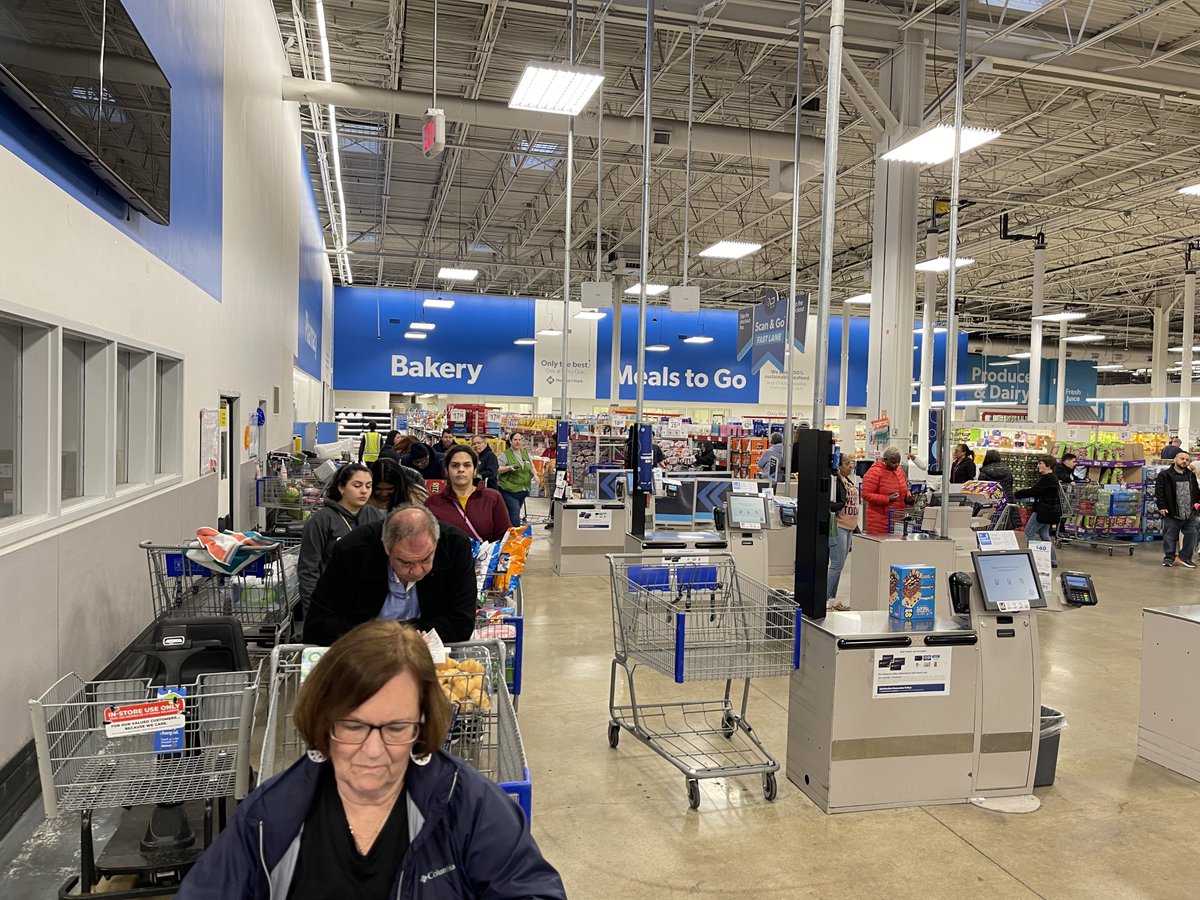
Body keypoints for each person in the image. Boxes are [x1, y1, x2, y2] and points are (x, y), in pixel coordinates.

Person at [176, 621, 567, 900]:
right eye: (353, 726)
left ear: (423, 722)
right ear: (323, 720)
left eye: (397, 728)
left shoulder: (468, 805)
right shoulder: (271, 819)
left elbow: (529, 889)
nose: (374, 751)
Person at [303, 505, 477, 645]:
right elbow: (319, 625)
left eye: (425, 559)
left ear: (436, 543)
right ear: (386, 547)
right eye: (406, 562)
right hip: (363, 658)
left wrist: (400, 634)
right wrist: (389, 636)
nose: (417, 571)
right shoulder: (352, 551)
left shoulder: (455, 545)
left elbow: (461, 622)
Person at [297, 464, 383, 617]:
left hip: (369, 604)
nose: (364, 490)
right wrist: (313, 610)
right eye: (357, 485)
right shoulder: (321, 520)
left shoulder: (376, 517)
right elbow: (308, 569)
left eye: (368, 486)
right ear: (341, 488)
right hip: (331, 602)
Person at [425, 444, 511, 542]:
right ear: (446, 470)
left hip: (485, 557)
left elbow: (505, 536)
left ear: (474, 470)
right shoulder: (433, 503)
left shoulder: (492, 498)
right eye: (455, 465)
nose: (461, 470)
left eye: (467, 465)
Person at [1013, 454, 1062, 567]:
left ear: (1048, 465)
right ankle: (1052, 560)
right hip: (1048, 511)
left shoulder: (1048, 479)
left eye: (1041, 463)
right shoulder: (1052, 478)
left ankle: (1032, 558)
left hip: (1042, 511)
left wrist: (1017, 494)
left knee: (1029, 533)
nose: (1038, 465)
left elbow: (1034, 491)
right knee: (1044, 534)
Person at [1155, 449, 1200, 568]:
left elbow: (1196, 490)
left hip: (1189, 511)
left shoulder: (1191, 475)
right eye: (1182, 458)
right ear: (1175, 459)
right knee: (1170, 536)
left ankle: (1185, 557)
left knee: (1192, 534)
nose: (1184, 461)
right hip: (1172, 511)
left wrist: (1196, 503)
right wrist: (1162, 507)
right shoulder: (1164, 475)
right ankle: (1169, 557)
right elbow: (1159, 491)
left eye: (1187, 460)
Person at [827, 455, 859, 611]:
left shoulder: (848, 481)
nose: (850, 467)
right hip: (838, 525)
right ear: (839, 466)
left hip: (849, 527)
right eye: (847, 464)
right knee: (836, 564)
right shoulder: (835, 480)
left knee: (839, 566)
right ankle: (825, 599)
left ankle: (832, 600)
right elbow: (835, 503)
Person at [861, 446, 911, 535]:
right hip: (878, 521)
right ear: (885, 460)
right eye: (893, 462)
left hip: (898, 519)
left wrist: (908, 496)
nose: (896, 465)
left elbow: (905, 488)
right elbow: (866, 494)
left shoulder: (900, 471)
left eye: (898, 462)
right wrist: (887, 499)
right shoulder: (874, 472)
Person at [497, 432, 534, 527]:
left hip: (523, 490)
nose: (518, 442)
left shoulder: (525, 454)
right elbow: (497, 469)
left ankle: (506, 531)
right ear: (510, 441)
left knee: (513, 513)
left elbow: (531, 467)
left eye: (520, 440)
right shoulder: (504, 454)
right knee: (515, 512)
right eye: (515, 440)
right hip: (508, 490)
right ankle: (515, 536)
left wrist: (536, 475)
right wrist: (508, 468)